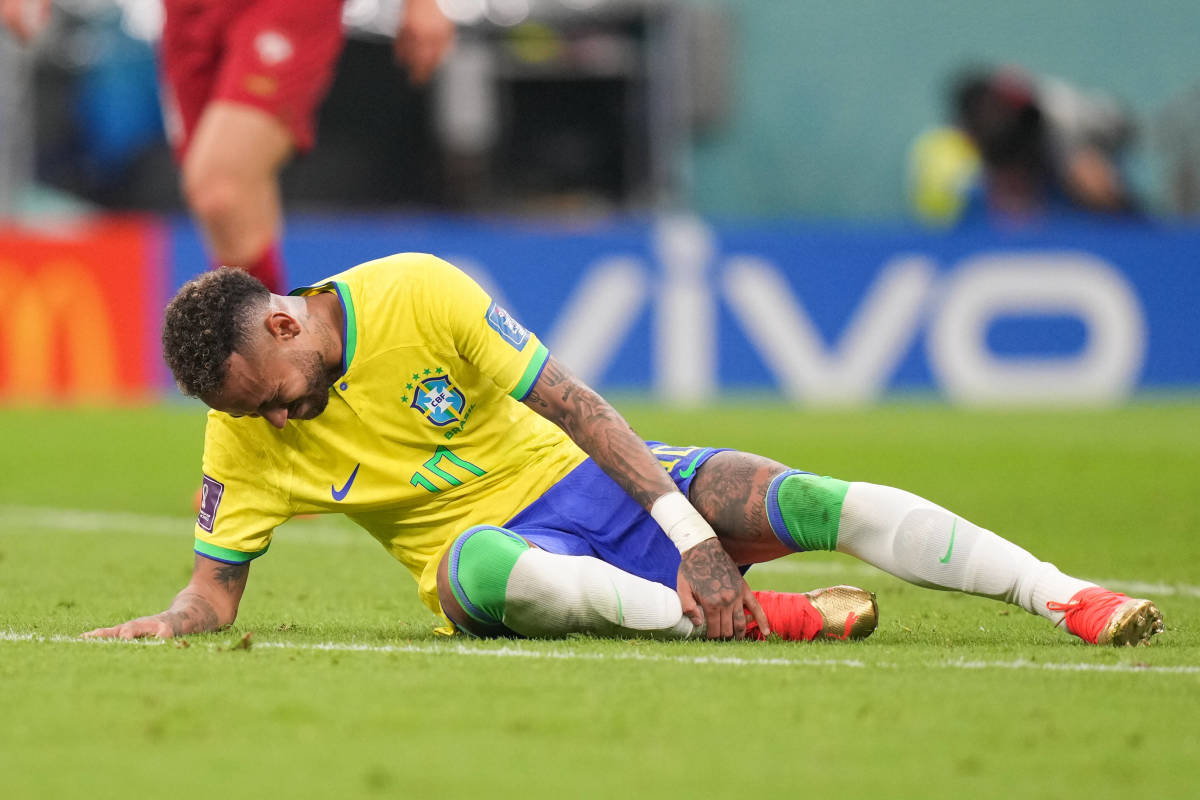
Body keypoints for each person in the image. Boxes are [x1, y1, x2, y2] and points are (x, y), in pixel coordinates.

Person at [82, 254, 1164, 646]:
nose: (274, 424)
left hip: (602, 483)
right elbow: (212, 594)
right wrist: (167, 621)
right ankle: (754, 620)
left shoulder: (418, 289)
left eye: (274, 399)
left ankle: (1069, 596)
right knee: (474, 568)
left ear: (282, 325)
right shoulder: (243, 431)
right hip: (501, 551)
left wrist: (691, 533)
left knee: (819, 500)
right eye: (254, 415)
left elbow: (580, 408)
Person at [0, 0, 456, 292]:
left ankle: (279, 377)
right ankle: (282, 395)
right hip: (188, 14)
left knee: (219, 186)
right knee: (234, 216)